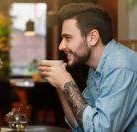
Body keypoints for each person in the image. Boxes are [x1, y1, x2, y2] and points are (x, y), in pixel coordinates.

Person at [39, 2, 137, 132]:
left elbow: (99, 130)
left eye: (68, 38)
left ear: (92, 37)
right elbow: (80, 124)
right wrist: (60, 85)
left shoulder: (120, 66)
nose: (61, 46)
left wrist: (66, 83)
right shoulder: (96, 67)